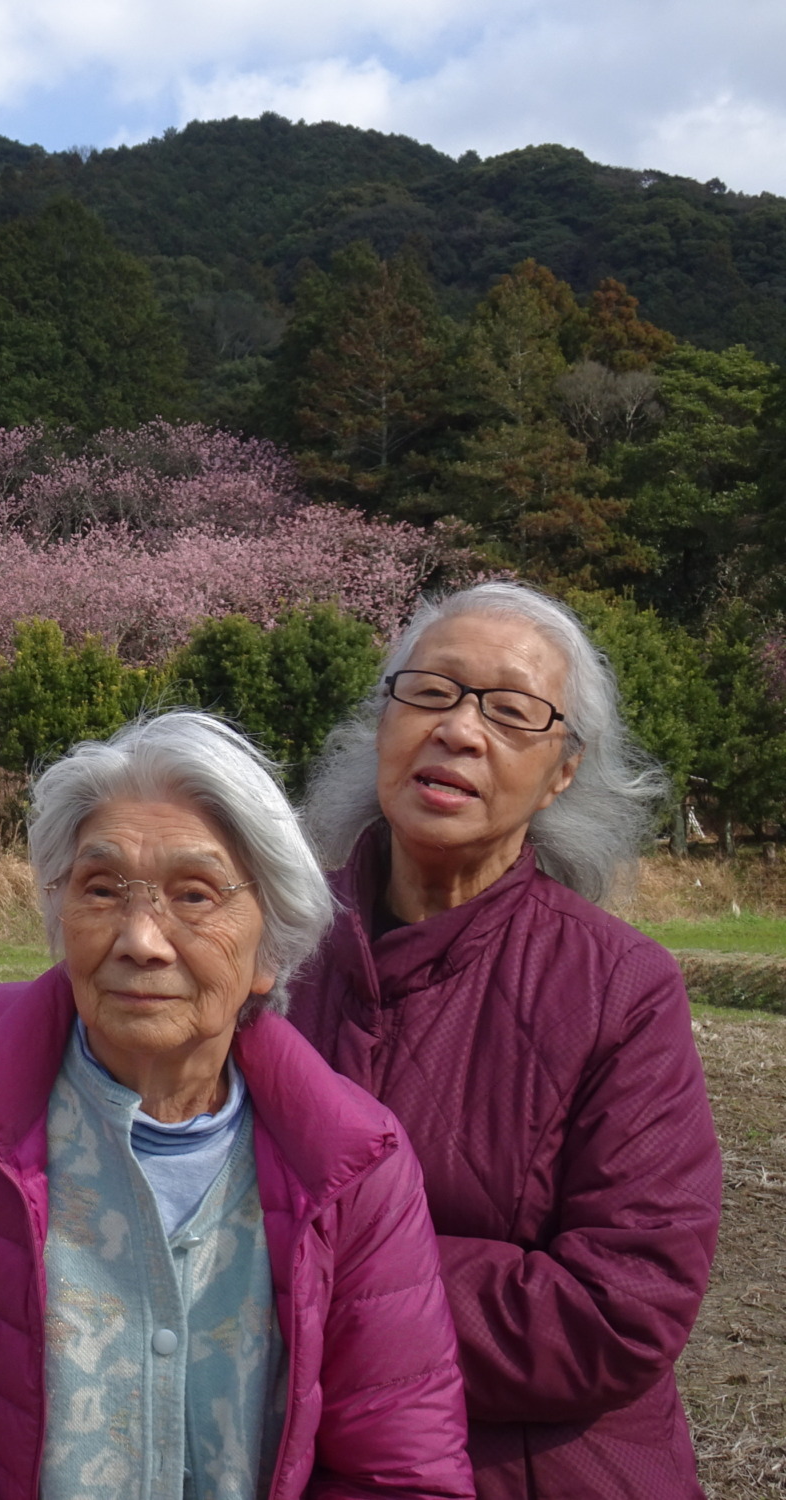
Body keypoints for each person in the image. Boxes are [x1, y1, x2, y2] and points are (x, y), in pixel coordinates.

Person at [0, 712, 474, 1500]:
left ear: (270, 951)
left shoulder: (356, 1159)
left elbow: (400, 1466)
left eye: (195, 894)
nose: (141, 939)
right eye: (103, 888)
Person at [293, 582, 721, 1500]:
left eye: (514, 712)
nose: (459, 730)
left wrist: (299, 1274)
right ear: (384, 720)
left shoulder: (618, 988)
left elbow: (620, 1309)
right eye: (432, 691)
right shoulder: (268, 944)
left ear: (562, 771)